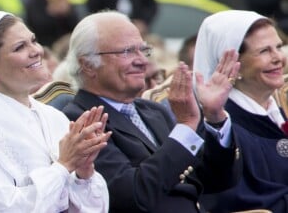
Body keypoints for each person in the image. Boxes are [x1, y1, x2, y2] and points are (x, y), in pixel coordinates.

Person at [62, 11, 242, 213]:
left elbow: (218, 180)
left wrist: (215, 116)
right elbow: (131, 196)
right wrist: (186, 127)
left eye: (143, 50)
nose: (143, 61)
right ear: (88, 64)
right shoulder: (79, 120)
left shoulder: (154, 111)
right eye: (127, 51)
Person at [0, 10, 110, 212]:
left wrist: (84, 172)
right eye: (20, 47)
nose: (36, 51)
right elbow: (4, 206)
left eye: (33, 41)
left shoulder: (54, 116)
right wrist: (64, 166)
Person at [193, 10, 288, 212]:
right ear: (233, 65)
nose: (278, 57)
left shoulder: (278, 111)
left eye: (278, 47)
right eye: (264, 51)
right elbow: (240, 201)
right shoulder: (221, 130)